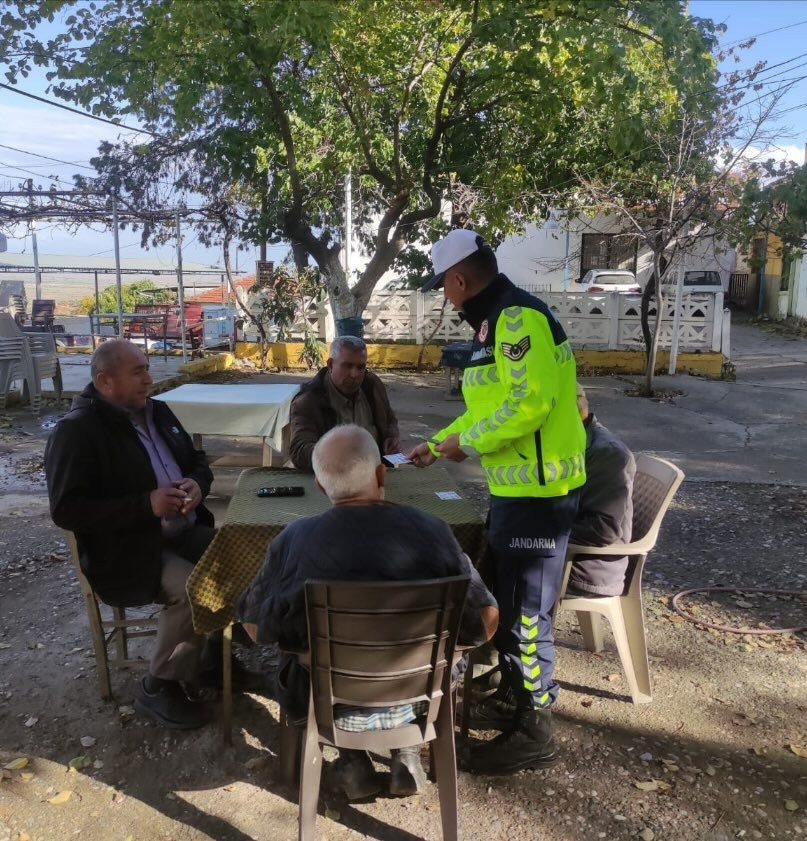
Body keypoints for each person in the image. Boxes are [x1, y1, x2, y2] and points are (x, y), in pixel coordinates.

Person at [405, 229, 586, 776]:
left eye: (444, 287)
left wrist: (470, 443)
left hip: (541, 492)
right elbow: (489, 405)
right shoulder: (493, 324)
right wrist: (438, 445)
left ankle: (536, 727)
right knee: (508, 602)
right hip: (516, 489)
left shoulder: (516, 319)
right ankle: (516, 690)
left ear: (459, 279)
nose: (445, 297)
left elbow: (530, 404)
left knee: (527, 614)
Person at [238, 424, 498, 799]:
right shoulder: (433, 530)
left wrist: (308, 654)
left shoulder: (294, 539)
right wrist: (443, 655)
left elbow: (255, 626)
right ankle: (407, 753)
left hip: (329, 700)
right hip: (419, 699)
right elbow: (486, 620)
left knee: (288, 657)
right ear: (380, 474)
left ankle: (351, 762)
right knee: (451, 655)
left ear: (322, 487)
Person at [45, 339, 216, 730]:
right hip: (124, 553)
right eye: (137, 372)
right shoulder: (77, 432)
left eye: (147, 369)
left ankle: (213, 662)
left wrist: (195, 484)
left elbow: (198, 461)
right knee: (194, 589)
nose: (148, 380)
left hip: (180, 533)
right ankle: (158, 686)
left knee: (240, 558)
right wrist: (146, 505)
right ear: (105, 382)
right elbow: (67, 510)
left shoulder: (157, 411)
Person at [287, 335, 400, 471]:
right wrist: (338, 456)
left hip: (376, 476)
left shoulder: (372, 385)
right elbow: (299, 451)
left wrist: (391, 436)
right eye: (348, 366)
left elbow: (389, 419)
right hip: (331, 482)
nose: (354, 374)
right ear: (330, 365)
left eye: (360, 367)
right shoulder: (308, 400)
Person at [566, 388, 637, 598]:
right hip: (569, 552)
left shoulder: (608, 454)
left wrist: (537, 528)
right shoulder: (572, 442)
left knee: (501, 564)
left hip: (587, 566)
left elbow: (602, 530)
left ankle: (515, 628)